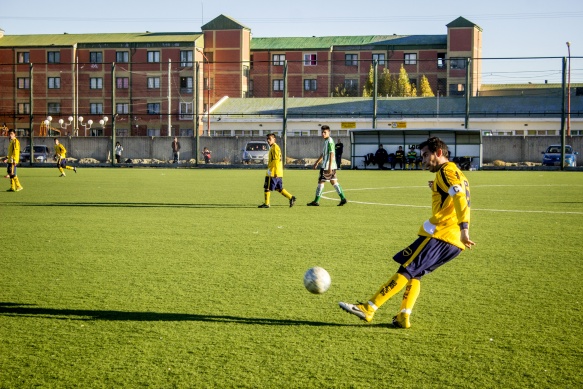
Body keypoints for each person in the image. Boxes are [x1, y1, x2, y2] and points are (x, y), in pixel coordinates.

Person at [339, 137, 475, 329]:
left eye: (426, 155)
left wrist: (464, 229)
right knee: (415, 274)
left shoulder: (446, 172)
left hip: (442, 234)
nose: (424, 160)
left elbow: (459, 197)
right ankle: (404, 315)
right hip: (452, 241)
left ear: (438, 153)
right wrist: (436, 186)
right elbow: (454, 194)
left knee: (407, 269)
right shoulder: (455, 172)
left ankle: (369, 307)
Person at [307, 125, 347, 206]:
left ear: (329, 132)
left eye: (325, 132)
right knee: (334, 182)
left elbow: (332, 153)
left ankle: (316, 201)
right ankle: (343, 198)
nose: (323, 134)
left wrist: (329, 167)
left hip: (327, 166)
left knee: (321, 182)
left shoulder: (329, 141)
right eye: (322, 132)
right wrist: (317, 162)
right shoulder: (326, 141)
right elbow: (324, 153)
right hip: (332, 166)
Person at [258, 133, 296, 208]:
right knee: (279, 188)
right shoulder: (274, 147)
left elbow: (276, 160)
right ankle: (291, 197)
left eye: (270, 139)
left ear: (274, 139)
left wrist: (274, 172)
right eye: (267, 139)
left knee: (267, 187)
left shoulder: (275, 147)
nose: (268, 141)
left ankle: (267, 204)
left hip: (273, 172)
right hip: (278, 172)